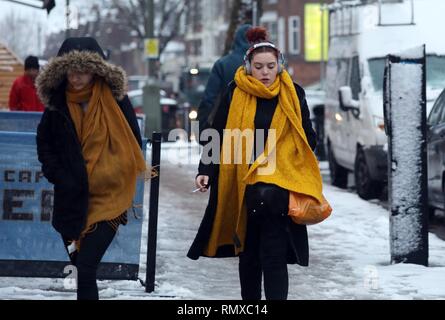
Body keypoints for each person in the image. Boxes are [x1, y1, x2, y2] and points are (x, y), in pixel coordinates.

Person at [187, 27, 322, 300]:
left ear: (279, 66)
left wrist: (291, 154)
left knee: (273, 254)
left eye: (271, 66)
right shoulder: (235, 91)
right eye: (258, 66)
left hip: (278, 184)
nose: (265, 72)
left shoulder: (294, 93)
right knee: (248, 255)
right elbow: (218, 133)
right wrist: (206, 171)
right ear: (248, 67)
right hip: (243, 182)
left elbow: (308, 138)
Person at [35, 37, 146, 300]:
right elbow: (45, 144)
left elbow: (133, 141)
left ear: (96, 70)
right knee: (79, 269)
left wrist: (111, 172)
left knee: (85, 268)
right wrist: (61, 176)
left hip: (110, 198)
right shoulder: (56, 104)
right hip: (71, 200)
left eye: (83, 70)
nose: (76, 77)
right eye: (71, 70)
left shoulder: (116, 100)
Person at [197, 24, 252, 139]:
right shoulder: (263, 66)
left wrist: (201, 128)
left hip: (225, 124)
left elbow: (209, 99)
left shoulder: (222, 64)